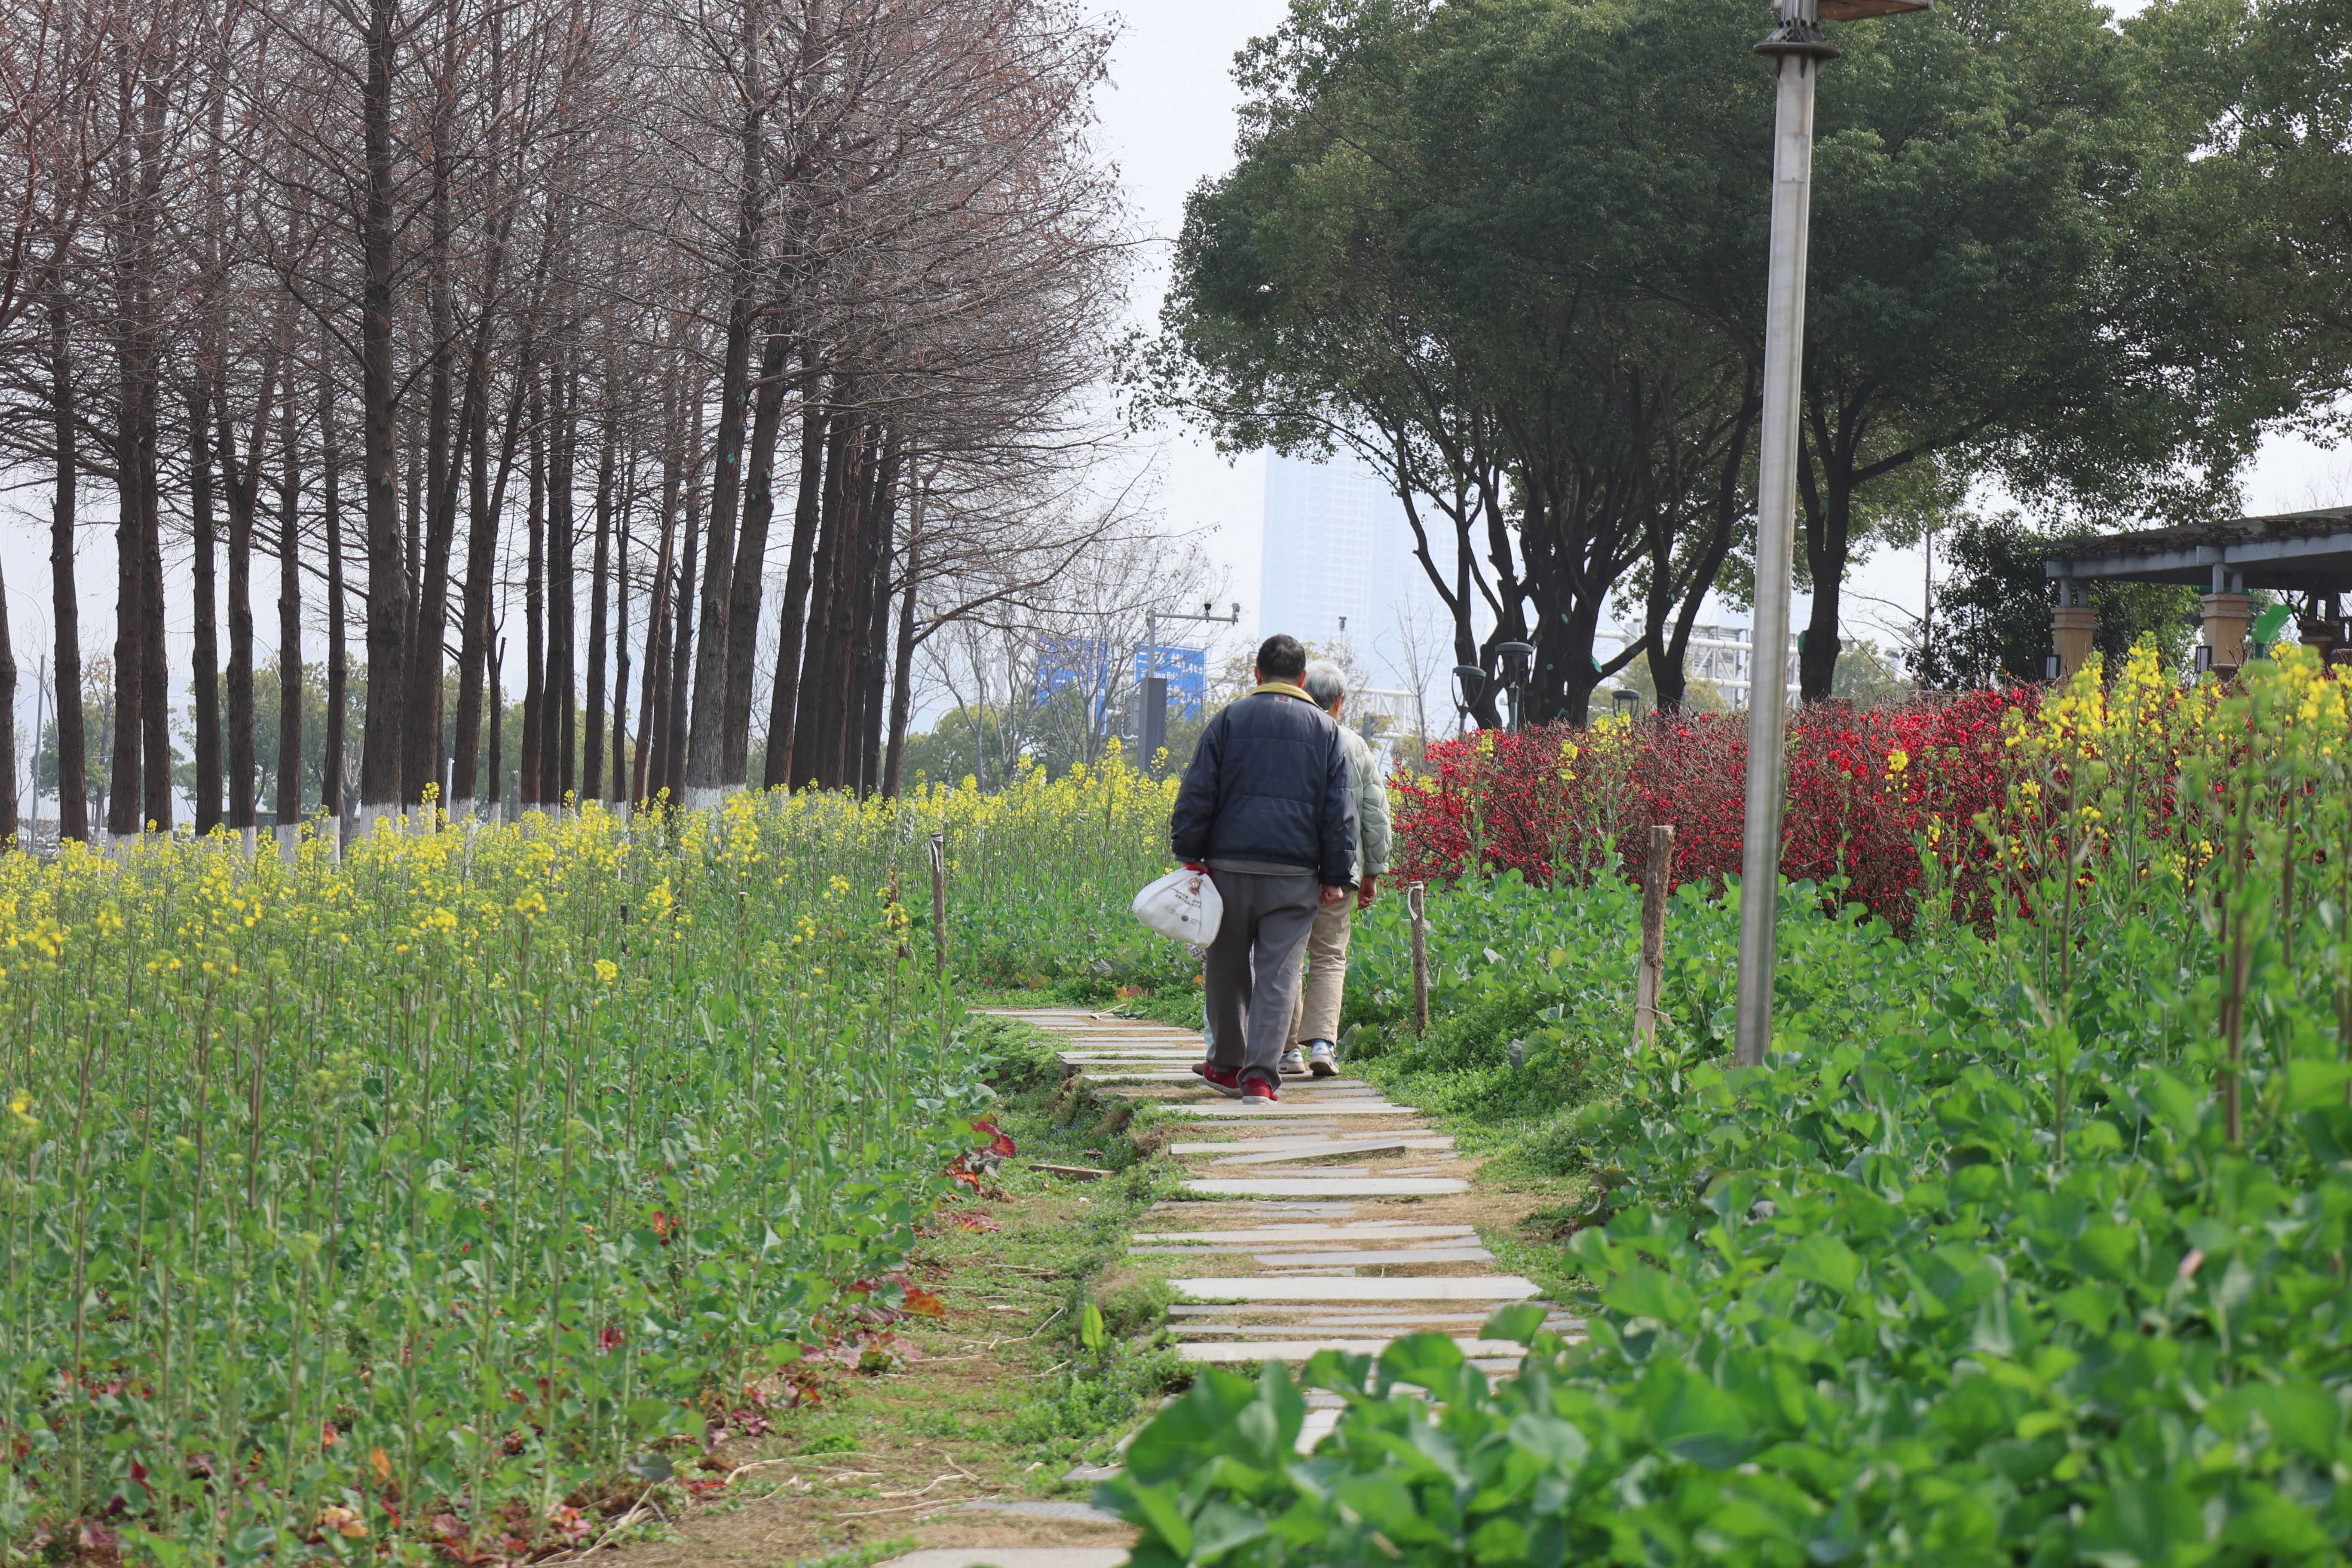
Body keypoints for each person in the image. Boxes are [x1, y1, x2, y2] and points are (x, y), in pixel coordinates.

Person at [1169, 634, 1357, 1104]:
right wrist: (1335, 876)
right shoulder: (1326, 732)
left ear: (1256, 674)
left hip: (1229, 869)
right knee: (1279, 975)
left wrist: (1190, 854)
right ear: (1301, 678)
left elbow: (1197, 792)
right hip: (1295, 877)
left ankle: (1226, 1064)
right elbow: (1340, 811)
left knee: (1226, 969)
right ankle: (1259, 1078)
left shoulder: (1228, 720)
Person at [1282, 659, 1390, 1078]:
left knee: (1287, 955)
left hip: (1293, 868)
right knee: (1329, 956)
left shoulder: (1291, 739)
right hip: (1342, 870)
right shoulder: (1356, 746)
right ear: (1341, 702)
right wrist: (1372, 873)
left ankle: (1288, 1051)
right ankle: (1323, 1046)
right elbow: (1375, 816)